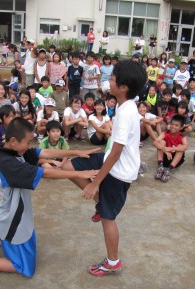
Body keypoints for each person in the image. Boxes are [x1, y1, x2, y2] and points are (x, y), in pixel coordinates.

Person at [0, 118, 98, 281]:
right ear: (13, 141)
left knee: (26, 243)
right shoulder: (8, 163)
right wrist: (78, 174)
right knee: (25, 268)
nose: (29, 146)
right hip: (13, 218)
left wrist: (76, 153)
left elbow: (43, 153)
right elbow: (45, 173)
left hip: (19, 214)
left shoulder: (12, 149)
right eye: (27, 142)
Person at [61, 60, 147, 276]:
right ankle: (101, 202)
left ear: (124, 87)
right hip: (110, 161)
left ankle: (113, 262)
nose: (110, 80)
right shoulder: (122, 104)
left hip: (119, 171)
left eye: (114, 79)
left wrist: (95, 183)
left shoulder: (127, 112)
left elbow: (118, 152)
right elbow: (114, 150)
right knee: (68, 166)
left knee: (109, 218)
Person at [153, 115, 188, 182]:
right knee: (161, 142)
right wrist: (165, 150)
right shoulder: (165, 133)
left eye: (176, 125)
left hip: (175, 160)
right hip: (165, 158)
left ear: (181, 127)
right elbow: (155, 142)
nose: (173, 127)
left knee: (181, 147)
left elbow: (185, 147)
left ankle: (169, 170)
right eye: (172, 124)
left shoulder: (182, 136)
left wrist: (169, 149)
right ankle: (160, 167)